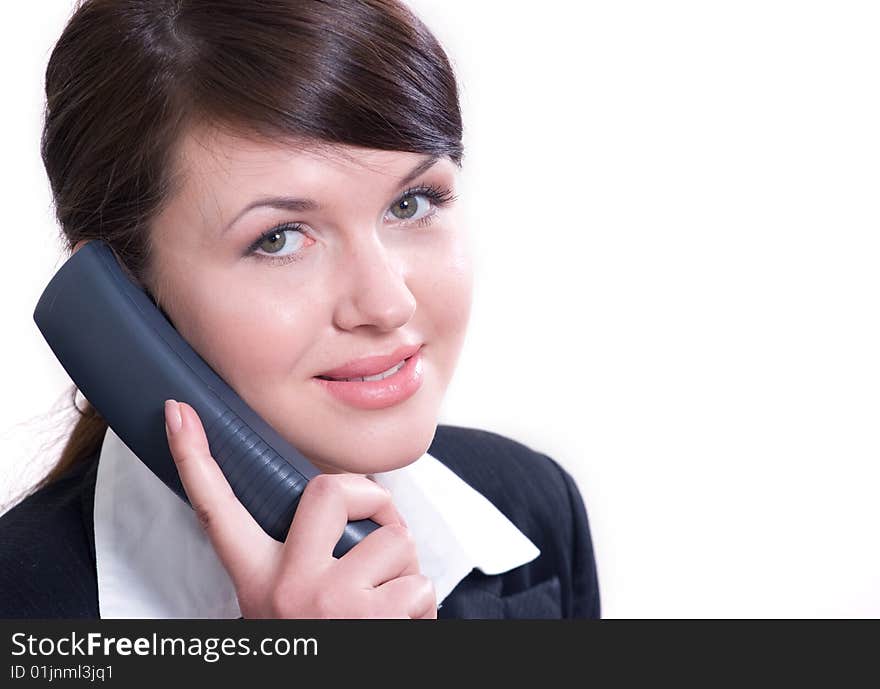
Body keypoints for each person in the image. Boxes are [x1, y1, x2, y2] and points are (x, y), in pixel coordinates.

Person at [0, 0, 600, 619]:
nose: (387, 302)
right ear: (121, 295)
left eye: (412, 203)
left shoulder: (531, 510)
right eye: (280, 238)